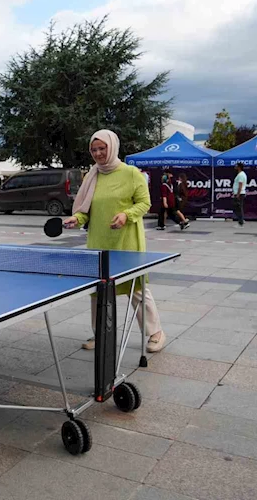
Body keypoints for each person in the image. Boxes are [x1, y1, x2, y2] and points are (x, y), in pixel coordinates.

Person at [63, 129, 166, 353]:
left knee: (136, 289)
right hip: (99, 242)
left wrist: (126, 215)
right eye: (94, 150)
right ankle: (99, 334)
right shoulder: (92, 176)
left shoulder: (131, 173)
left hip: (127, 243)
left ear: (112, 147)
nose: (98, 153)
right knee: (98, 291)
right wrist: (76, 218)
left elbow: (145, 203)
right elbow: (86, 211)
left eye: (102, 148)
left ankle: (156, 333)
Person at [233, 162, 247, 227]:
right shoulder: (240, 174)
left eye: (236, 166)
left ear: (239, 167)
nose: (235, 167)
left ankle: (240, 223)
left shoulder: (241, 175)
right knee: (238, 207)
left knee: (238, 208)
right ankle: (241, 220)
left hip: (240, 193)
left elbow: (240, 185)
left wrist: (238, 194)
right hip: (238, 193)